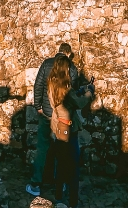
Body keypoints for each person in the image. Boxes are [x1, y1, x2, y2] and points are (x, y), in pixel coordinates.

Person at [40, 54, 92, 208]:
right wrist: (89, 92)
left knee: (61, 165)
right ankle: (73, 202)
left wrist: (79, 91)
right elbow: (80, 103)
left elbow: (68, 100)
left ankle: (59, 196)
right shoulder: (66, 89)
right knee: (74, 167)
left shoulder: (52, 85)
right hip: (69, 130)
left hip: (57, 128)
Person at [27, 43, 78, 198]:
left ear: (58, 51)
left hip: (46, 114)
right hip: (62, 116)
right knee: (62, 151)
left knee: (42, 149)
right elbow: (72, 95)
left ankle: (36, 184)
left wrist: (38, 106)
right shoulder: (72, 69)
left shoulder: (46, 64)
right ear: (68, 54)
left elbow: (38, 85)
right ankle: (59, 185)